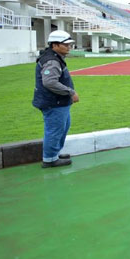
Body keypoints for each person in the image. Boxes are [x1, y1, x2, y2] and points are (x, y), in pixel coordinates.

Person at [32, 30, 79, 168]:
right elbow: (49, 82)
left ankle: (54, 153)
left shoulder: (54, 58)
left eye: (70, 44)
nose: (69, 47)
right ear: (55, 45)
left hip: (57, 102)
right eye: (66, 44)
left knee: (62, 127)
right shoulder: (52, 61)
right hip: (54, 103)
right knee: (55, 129)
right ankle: (50, 159)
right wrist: (70, 92)